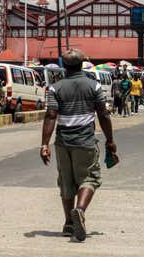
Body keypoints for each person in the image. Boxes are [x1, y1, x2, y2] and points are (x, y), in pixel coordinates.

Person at [40, 49, 116, 242]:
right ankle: (80, 210)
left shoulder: (55, 88)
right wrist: (110, 139)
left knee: (66, 182)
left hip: (63, 142)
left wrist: (44, 145)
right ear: (82, 64)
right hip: (85, 141)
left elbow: (50, 115)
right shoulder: (94, 86)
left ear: (64, 66)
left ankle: (68, 223)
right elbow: (103, 114)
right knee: (90, 178)